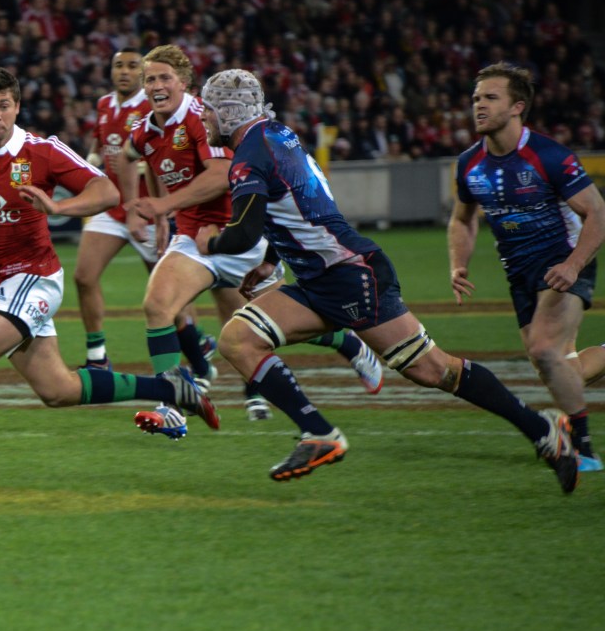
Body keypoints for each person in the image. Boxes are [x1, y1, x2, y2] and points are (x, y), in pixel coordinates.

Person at [192, 67, 579, 493]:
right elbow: (302, 206)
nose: (203, 118)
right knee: (237, 339)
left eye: (207, 110)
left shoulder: (250, 155)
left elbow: (243, 231)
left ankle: (543, 431)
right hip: (325, 276)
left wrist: (210, 242)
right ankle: (319, 434)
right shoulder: (276, 135)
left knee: (435, 371)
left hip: (349, 276)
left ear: (228, 112)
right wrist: (270, 260)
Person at [0, 64, 214, 504]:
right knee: (58, 391)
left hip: (35, 278)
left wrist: (59, 208)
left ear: (17, 107)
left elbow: (106, 192)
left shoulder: (42, 151)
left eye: (5, 106)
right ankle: (172, 387)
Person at [124, 45, 383, 436]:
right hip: (196, 241)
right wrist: (150, 210)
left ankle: (350, 345)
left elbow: (219, 173)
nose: (156, 85)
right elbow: (138, 160)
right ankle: (172, 403)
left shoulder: (199, 117)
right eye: (150, 79)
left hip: (239, 235)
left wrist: (163, 204)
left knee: (283, 322)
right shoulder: (144, 129)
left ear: (184, 83)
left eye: (164, 78)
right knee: (157, 306)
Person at [448, 62, 605, 473]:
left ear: (517, 107)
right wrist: (457, 265)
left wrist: (574, 265)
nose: (479, 105)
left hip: (563, 262)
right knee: (555, 366)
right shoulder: (469, 164)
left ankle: (583, 449)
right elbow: (463, 218)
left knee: (542, 349)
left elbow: (597, 213)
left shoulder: (549, 156)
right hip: (518, 271)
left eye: (490, 98)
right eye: (476, 98)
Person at [72, 47, 214, 376]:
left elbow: (155, 161)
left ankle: (197, 349)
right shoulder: (105, 104)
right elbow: (101, 145)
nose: (124, 71)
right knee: (83, 275)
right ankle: (97, 356)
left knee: (171, 293)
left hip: (150, 207)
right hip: (114, 205)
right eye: (118, 65)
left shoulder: (155, 105)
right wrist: (89, 166)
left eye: (132, 66)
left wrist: (162, 213)